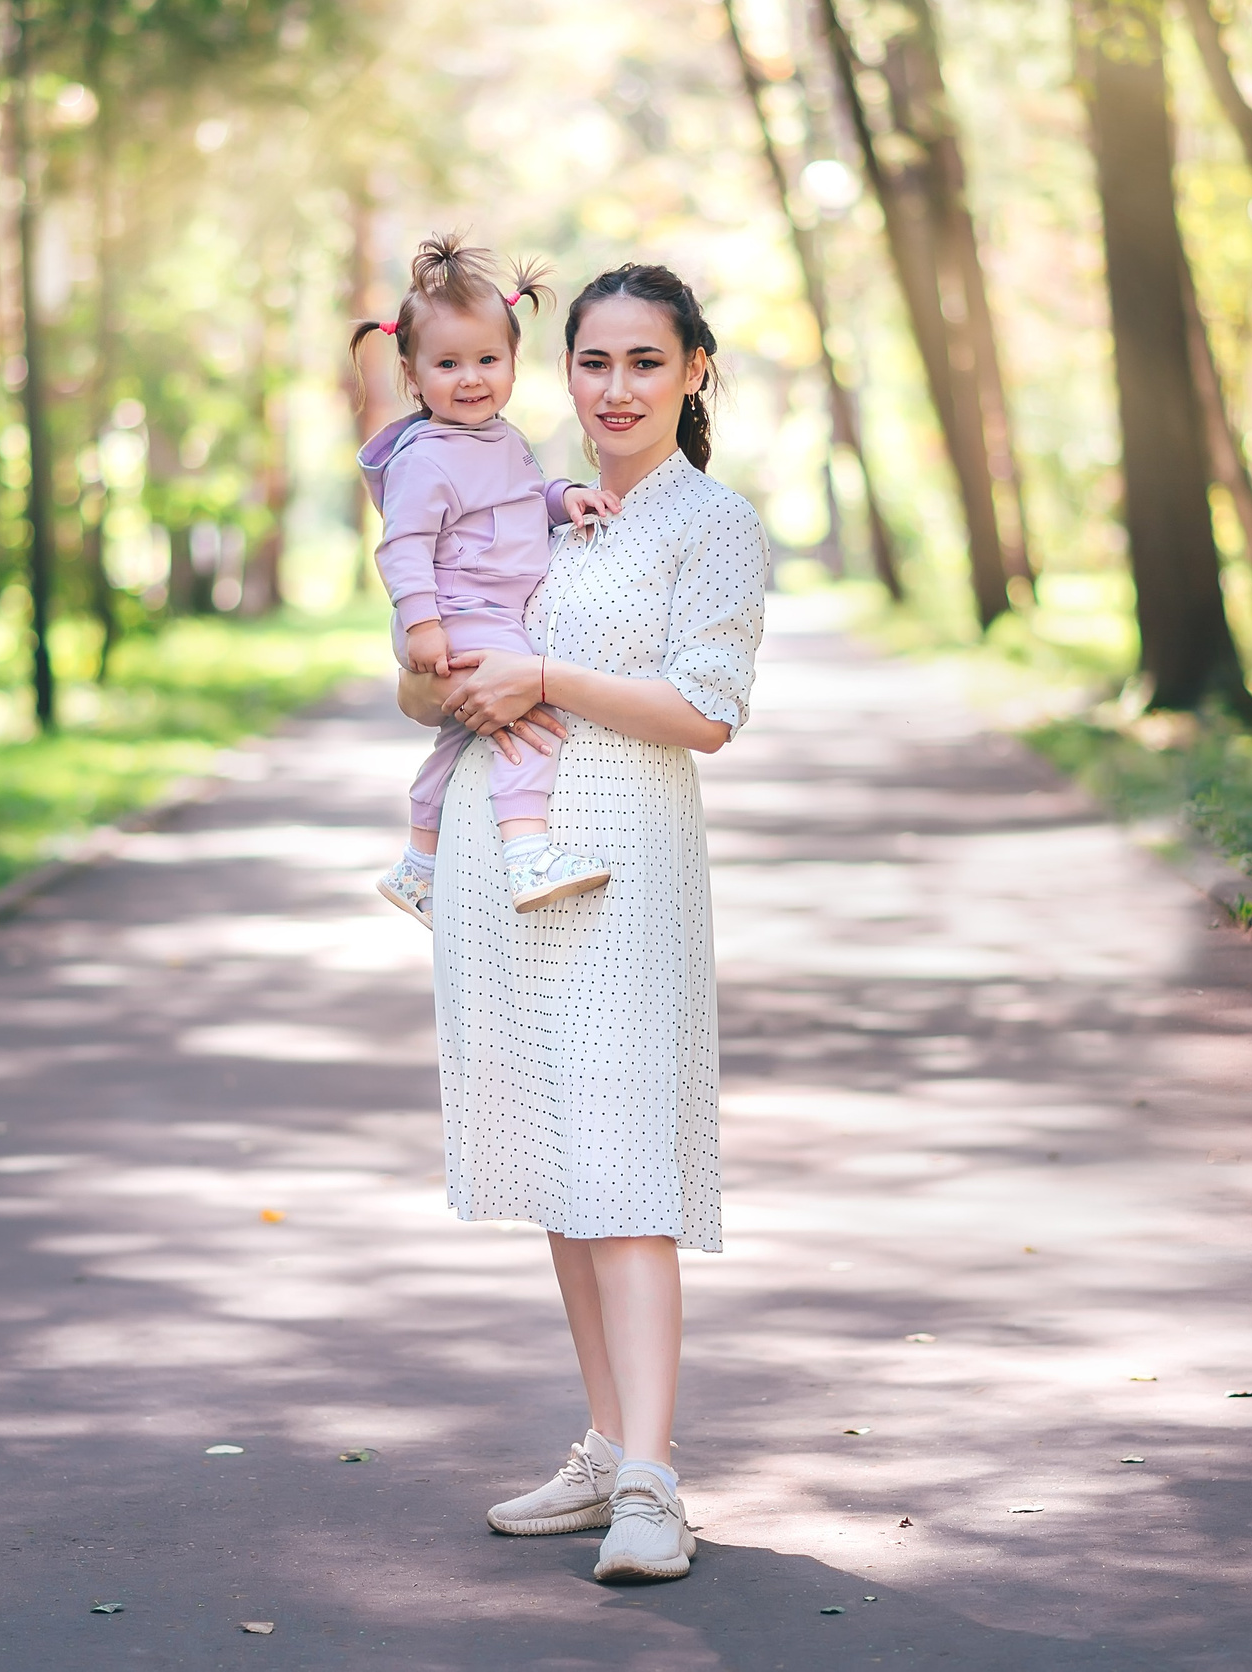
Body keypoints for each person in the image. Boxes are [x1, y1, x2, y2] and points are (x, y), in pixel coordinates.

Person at [396, 263, 766, 1584]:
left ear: (693, 372)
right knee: (563, 1161)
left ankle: (657, 1488)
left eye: (645, 364)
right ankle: (609, 1447)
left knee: (626, 1171)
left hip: (625, 869)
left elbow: (706, 713)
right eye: (594, 363)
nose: (615, 390)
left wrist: (545, 676)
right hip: (506, 869)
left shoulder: (710, 525)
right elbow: (421, 679)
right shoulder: (520, 504)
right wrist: (443, 680)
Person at [355, 234, 623, 925]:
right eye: (447, 364)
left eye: (486, 360)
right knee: (533, 709)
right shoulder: (429, 457)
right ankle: (527, 850)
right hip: (458, 610)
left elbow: (521, 495)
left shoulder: (500, 439)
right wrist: (422, 622)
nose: (470, 378)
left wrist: (566, 499)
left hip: (483, 609)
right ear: (412, 377)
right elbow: (404, 544)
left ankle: (418, 863)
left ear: (512, 364)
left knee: (464, 733)